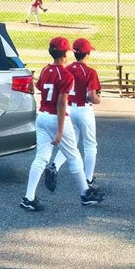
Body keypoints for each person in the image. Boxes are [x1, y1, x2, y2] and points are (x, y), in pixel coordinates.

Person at [20, 36, 105, 212]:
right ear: (65, 54)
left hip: (42, 116)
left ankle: (28, 197)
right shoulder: (65, 75)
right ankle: (85, 194)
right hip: (56, 117)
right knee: (74, 156)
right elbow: (61, 103)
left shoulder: (46, 70)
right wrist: (59, 130)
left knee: (41, 157)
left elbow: (39, 87)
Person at [44, 38, 101, 192]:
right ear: (87, 54)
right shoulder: (90, 71)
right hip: (84, 110)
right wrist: (98, 100)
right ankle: (88, 179)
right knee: (90, 145)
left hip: (69, 109)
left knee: (71, 143)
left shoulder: (66, 69)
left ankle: (54, 166)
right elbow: (91, 96)